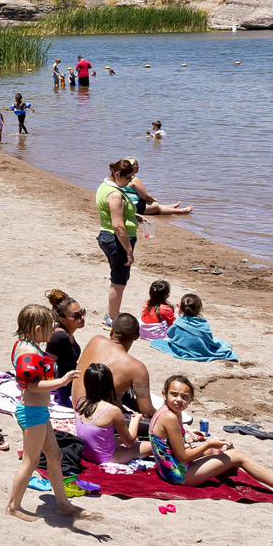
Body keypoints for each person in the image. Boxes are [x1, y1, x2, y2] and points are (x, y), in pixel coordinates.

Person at [150, 375, 273, 503]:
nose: (179, 400)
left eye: (184, 397)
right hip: (177, 475)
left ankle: (222, 467)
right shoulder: (170, 417)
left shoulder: (167, 411)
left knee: (224, 447)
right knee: (238, 455)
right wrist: (208, 444)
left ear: (191, 399)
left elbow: (171, 446)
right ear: (164, 393)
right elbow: (183, 457)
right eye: (174, 395)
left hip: (166, 468)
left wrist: (207, 446)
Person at [5, 304, 90, 522]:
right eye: (49, 328)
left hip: (38, 411)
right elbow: (32, 386)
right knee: (30, 461)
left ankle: (63, 504)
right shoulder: (29, 352)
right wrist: (61, 381)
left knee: (55, 456)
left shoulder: (24, 345)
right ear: (37, 328)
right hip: (31, 411)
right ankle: (13, 506)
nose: (52, 332)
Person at [72, 313, 153, 416]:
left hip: (77, 406)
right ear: (137, 336)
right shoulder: (137, 368)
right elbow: (147, 411)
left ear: (112, 331)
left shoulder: (95, 340)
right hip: (97, 417)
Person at [75, 363, 152, 465]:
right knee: (152, 446)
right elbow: (129, 443)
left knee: (116, 439)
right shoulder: (113, 411)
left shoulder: (81, 403)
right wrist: (135, 420)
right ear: (109, 385)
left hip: (86, 452)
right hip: (106, 457)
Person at [96, 158, 140, 321]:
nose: (129, 182)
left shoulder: (104, 186)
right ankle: (112, 317)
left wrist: (134, 218)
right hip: (116, 239)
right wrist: (129, 250)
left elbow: (114, 215)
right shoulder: (115, 194)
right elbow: (118, 226)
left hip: (107, 236)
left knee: (118, 277)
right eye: (128, 178)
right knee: (119, 281)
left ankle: (112, 314)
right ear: (117, 174)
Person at [45, 289, 87, 408]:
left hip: (74, 381)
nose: (82, 317)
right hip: (66, 388)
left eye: (82, 312)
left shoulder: (68, 332)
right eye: (77, 316)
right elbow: (47, 364)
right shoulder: (60, 336)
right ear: (62, 320)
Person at [124, 157, 192, 215]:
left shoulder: (121, 177)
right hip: (133, 206)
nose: (138, 167)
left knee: (152, 204)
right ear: (131, 167)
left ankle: (170, 207)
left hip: (126, 204)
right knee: (156, 206)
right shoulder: (134, 179)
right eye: (136, 165)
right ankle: (181, 211)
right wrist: (153, 200)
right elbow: (145, 196)